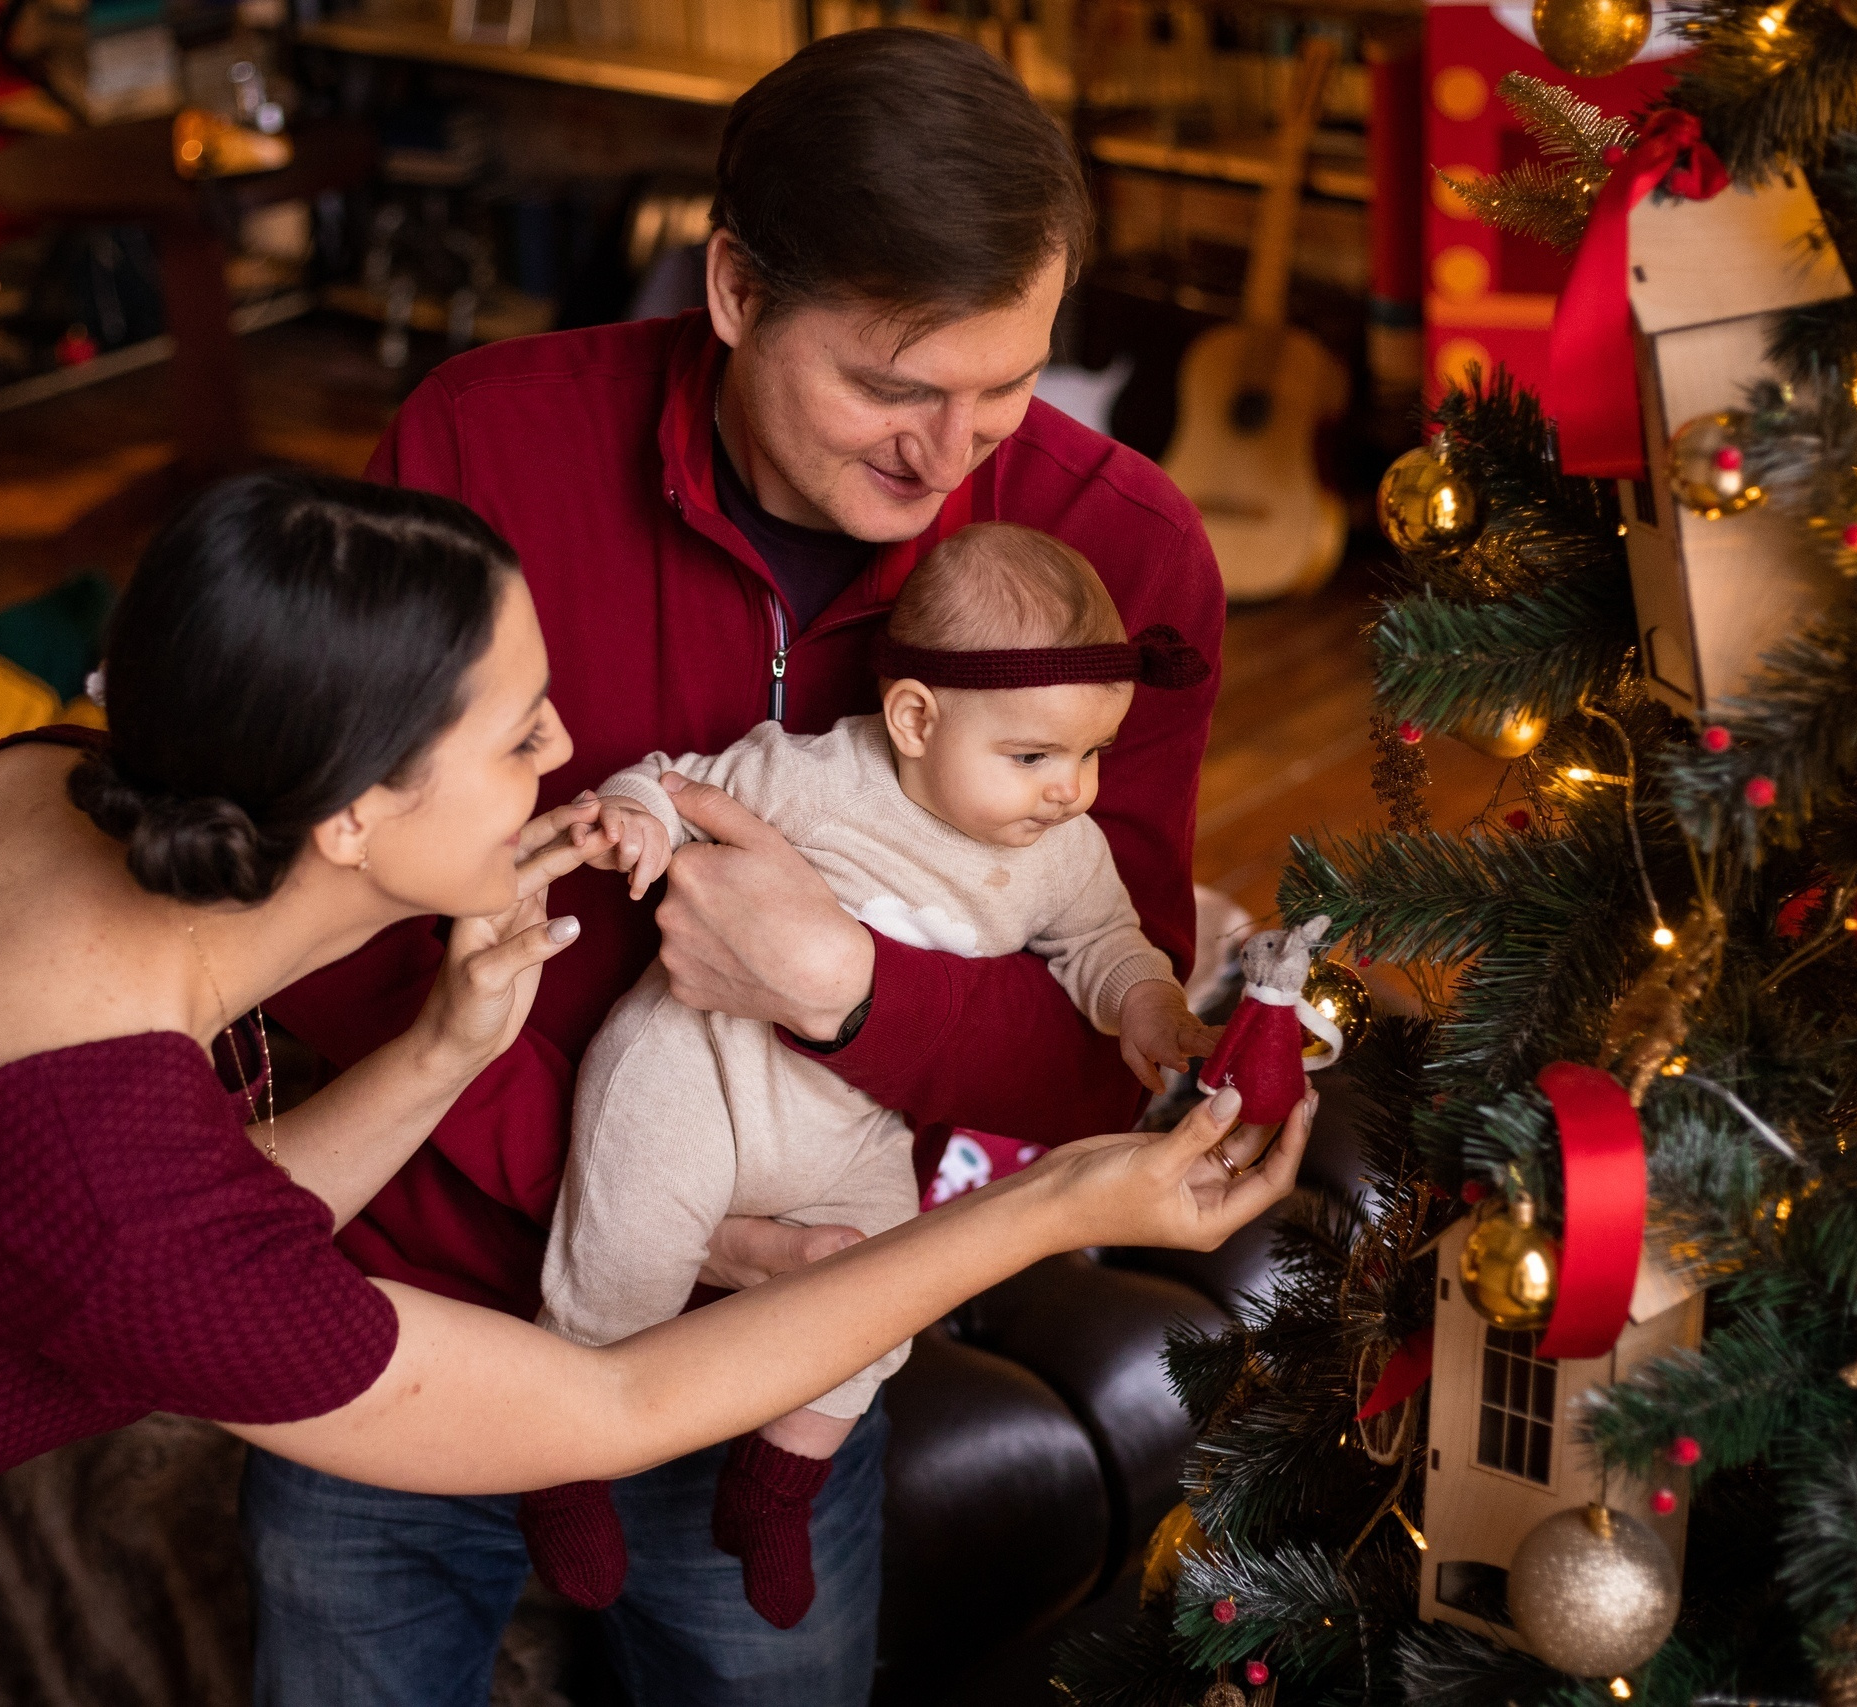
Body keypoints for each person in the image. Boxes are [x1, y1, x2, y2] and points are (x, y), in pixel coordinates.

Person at [0, 471, 1309, 1706]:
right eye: (526, 729)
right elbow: (603, 1411)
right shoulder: (112, 1187)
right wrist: (1059, 1202)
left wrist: (443, 1048)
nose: (574, 755)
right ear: (352, 821)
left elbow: (153, 1212)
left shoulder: (43, 780)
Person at [251, 25, 1229, 1707]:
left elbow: (1096, 1049)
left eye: (1006, 386)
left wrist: (849, 996)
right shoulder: (485, 447)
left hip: (784, 1357)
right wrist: (641, 1193)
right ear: (730, 290)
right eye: (890, 386)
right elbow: (334, 936)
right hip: (413, 1318)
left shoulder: (1122, 563)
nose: (951, 458)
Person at [521, 524, 1224, 1629]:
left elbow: (1106, 946)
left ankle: (777, 1484)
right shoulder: (812, 776)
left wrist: (1145, 1006)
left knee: (882, 1296)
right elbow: (674, 783)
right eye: (1035, 758)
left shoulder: (1060, 855)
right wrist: (635, 822)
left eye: (1092, 756)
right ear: (913, 719)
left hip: (853, 1122)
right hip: (693, 1068)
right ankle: (562, 1458)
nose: (1071, 793)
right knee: (625, 1246)